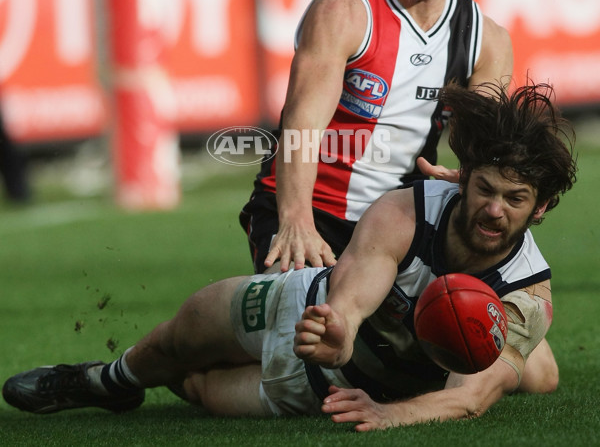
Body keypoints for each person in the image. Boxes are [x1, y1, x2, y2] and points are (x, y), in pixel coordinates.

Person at [3, 82, 577, 430]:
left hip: (330, 391)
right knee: (176, 338)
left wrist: (387, 414)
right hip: (305, 309)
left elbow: (469, 399)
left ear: (542, 207)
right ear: (466, 176)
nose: (494, 209)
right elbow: (355, 287)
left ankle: (163, 381)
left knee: (197, 387)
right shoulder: (410, 208)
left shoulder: (527, 293)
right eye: (485, 189)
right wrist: (342, 326)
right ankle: (106, 381)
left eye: (515, 198)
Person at [239, 0, 513, 275]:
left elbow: (490, 155)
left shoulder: (486, 41)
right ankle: (168, 344)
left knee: (494, 320)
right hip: (313, 208)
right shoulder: (345, 11)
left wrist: (468, 176)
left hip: (399, 219)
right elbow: (301, 127)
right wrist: (296, 222)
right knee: (307, 325)